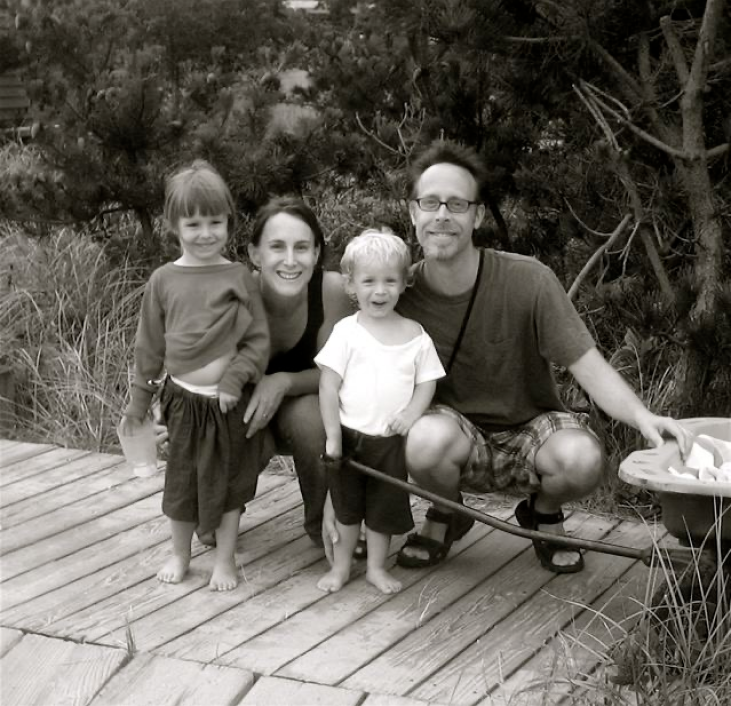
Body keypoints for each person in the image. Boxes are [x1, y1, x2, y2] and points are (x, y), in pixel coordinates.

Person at [323, 139, 693, 574]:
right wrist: (339, 490)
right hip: (450, 432)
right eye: (430, 202)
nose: (442, 214)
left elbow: (587, 365)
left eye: (457, 204)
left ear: (477, 215)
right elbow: (355, 392)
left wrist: (644, 419)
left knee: (583, 459)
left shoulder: (528, 280)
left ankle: (544, 511)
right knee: (421, 440)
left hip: (530, 427)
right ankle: (447, 511)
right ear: (413, 213)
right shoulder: (393, 295)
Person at [121, 160, 271, 591]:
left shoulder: (240, 277)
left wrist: (233, 380)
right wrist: (138, 403)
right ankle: (180, 554)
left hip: (229, 402)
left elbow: (258, 343)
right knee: (182, 481)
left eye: (216, 222)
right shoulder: (163, 280)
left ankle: (225, 560)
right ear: (174, 225)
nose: (206, 233)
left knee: (229, 484)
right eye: (194, 223)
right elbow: (149, 346)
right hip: (182, 400)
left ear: (229, 222)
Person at [315, 230, 445, 593]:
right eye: (369, 281)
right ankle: (341, 568)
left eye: (390, 281)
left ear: (404, 283)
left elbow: (427, 382)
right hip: (350, 438)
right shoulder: (346, 332)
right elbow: (328, 385)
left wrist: (412, 413)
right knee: (346, 510)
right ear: (351, 285)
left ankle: (375, 567)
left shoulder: (416, 335)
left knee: (383, 512)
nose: (380, 291)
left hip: (389, 441)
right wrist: (333, 435)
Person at [243, 197, 354, 546]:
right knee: (208, 527)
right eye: (277, 247)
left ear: (317, 253)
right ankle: (220, 505)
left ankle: (326, 526)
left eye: (302, 247)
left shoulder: (332, 290)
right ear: (255, 254)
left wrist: (283, 381)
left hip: (304, 406)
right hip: (244, 407)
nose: (290, 260)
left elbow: (338, 372)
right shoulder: (235, 293)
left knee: (314, 417)